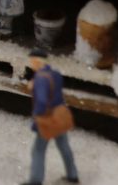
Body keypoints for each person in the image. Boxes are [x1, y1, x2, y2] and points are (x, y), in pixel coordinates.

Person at [23, 49, 79, 185]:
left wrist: (37, 117)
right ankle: (72, 175)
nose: (31, 64)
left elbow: (42, 101)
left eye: (32, 61)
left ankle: (35, 180)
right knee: (64, 146)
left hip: (48, 118)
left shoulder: (40, 79)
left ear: (37, 61)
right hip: (59, 115)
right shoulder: (55, 74)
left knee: (38, 150)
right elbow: (55, 91)